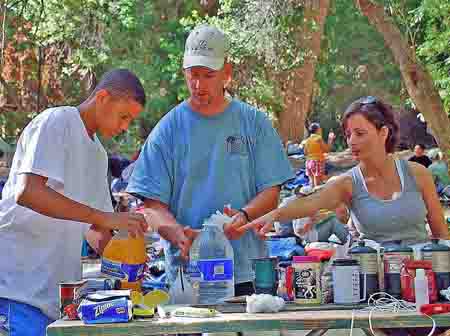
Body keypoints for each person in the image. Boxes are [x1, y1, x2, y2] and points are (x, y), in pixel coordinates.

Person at [126, 24, 294, 298]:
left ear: (227, 73)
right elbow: (151, 205)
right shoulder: (167, 130)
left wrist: (245, 216)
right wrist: (177, 234)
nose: (198, 84)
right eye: (193, 75)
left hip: (246, 274)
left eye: (208, 75)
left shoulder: (254, 123)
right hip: (187, 276)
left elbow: (271, 191)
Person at [0, 69, 152, 336]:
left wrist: (131, 263)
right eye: (124, 116)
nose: (125, 126)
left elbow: (97, 232)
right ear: (103, 97)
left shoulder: (98, 155)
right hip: (16, 288)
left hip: (58, 300)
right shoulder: (58, 121)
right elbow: (28, 192)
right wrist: (103, 218)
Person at [243, 95, 448, 246]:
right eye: (349, 134)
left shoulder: (418, 173)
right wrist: (274, 214)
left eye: (360, 133)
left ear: (383, 132)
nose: (352, 141)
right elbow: (311, 201)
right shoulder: (348, 183)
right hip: (373, 284)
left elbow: (441, 234)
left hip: (421, 279)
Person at [303, 122, 335, 187]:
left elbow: (305, 152)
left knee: (311, 183)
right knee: (318, 184)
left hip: (308, 162)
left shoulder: (307, 140)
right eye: (320, 129)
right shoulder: (318, 138)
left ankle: (311, 196)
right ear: (318, 130)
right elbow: (327, 150)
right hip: (317, 162)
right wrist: (330, 139)